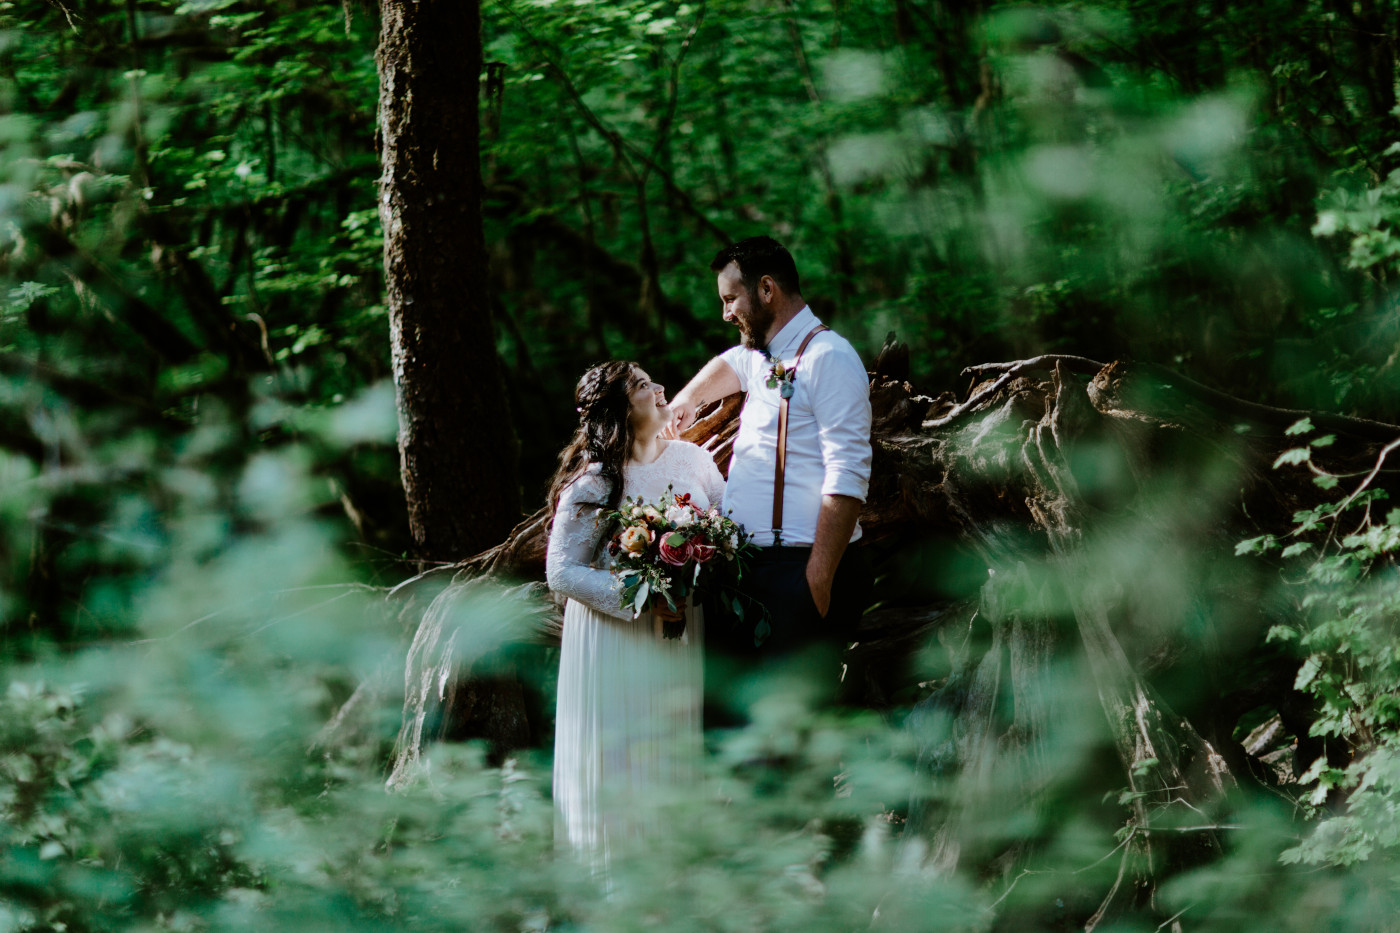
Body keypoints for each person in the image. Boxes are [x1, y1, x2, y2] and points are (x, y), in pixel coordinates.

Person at [546, 360, 726, 875]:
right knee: (618, 752)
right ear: (621, 411)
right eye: (644, 386)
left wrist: (702, 561)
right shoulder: (595, 484)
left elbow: (722, 529)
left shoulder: (694, 460)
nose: (660, 389)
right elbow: (561, 572)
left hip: (677, 635)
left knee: (669, 743)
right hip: (613, 640)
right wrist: (637, 594)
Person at [668, 236, 873, 688]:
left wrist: (818, 578)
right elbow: (735, 362)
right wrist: (687, 399)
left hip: (797, 570)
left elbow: (849, 474)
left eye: (729, 299)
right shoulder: (766, 353)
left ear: (766, 290)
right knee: (732, 720)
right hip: (745, 570)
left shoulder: (830, 357)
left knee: (788, 731)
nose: (725, 314)